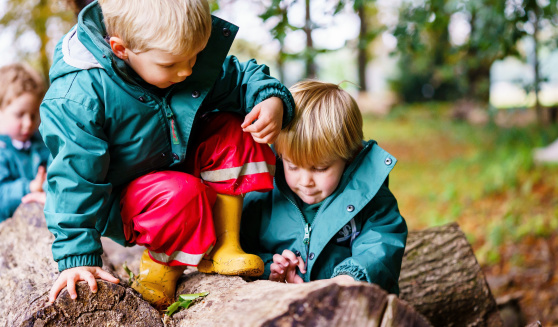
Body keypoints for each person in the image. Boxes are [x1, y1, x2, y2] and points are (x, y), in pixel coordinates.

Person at [40, 0, 294, 310]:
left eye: (194, 57)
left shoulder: (177, 56)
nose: (187, 70)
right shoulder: (80, 95)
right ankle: (160, 265)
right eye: (172, 64)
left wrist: (270, 99)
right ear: (121, 49)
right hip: (136, 202)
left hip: (179, 165)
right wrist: (76, 257)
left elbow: (241, 78)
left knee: (237, 129)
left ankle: (226, 246)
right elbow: (73, 178)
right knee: (180, 193)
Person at [241, 80, 407, 294]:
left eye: (320, 169)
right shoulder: (263, 195)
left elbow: (382, 243)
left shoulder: (369, 197)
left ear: (349, 157)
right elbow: (242, 248)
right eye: (292, 166)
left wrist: (349, 278)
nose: (305, 181)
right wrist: (270, 269)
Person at [0, 63, 50, 222]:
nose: (28, 123)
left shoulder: (41, 143)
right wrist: (29, 187)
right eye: (20, 115)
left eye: (33, 115)